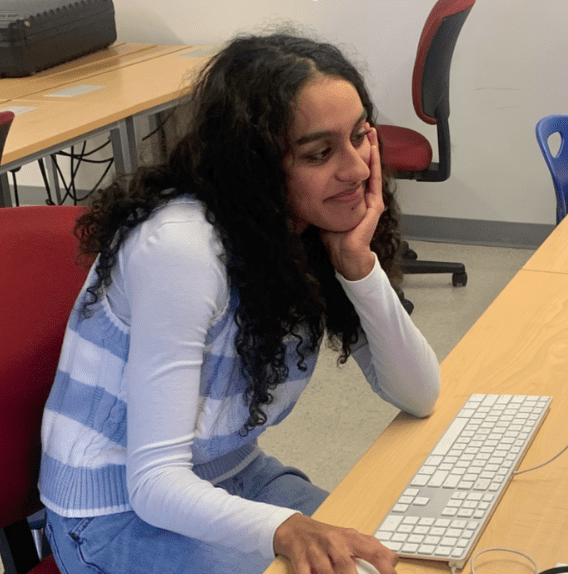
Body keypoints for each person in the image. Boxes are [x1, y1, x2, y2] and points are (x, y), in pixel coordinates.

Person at [38, 33, 441, 574]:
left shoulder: (306, 229)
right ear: (255, 165)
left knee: (396, 561)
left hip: (231, 476)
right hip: (112, 515)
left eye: (360, 135)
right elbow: (154, 483)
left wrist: (358, 265)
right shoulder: (183, 249)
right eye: (320, 153)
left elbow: (419, 393)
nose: (358, 170)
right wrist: (283, 529)